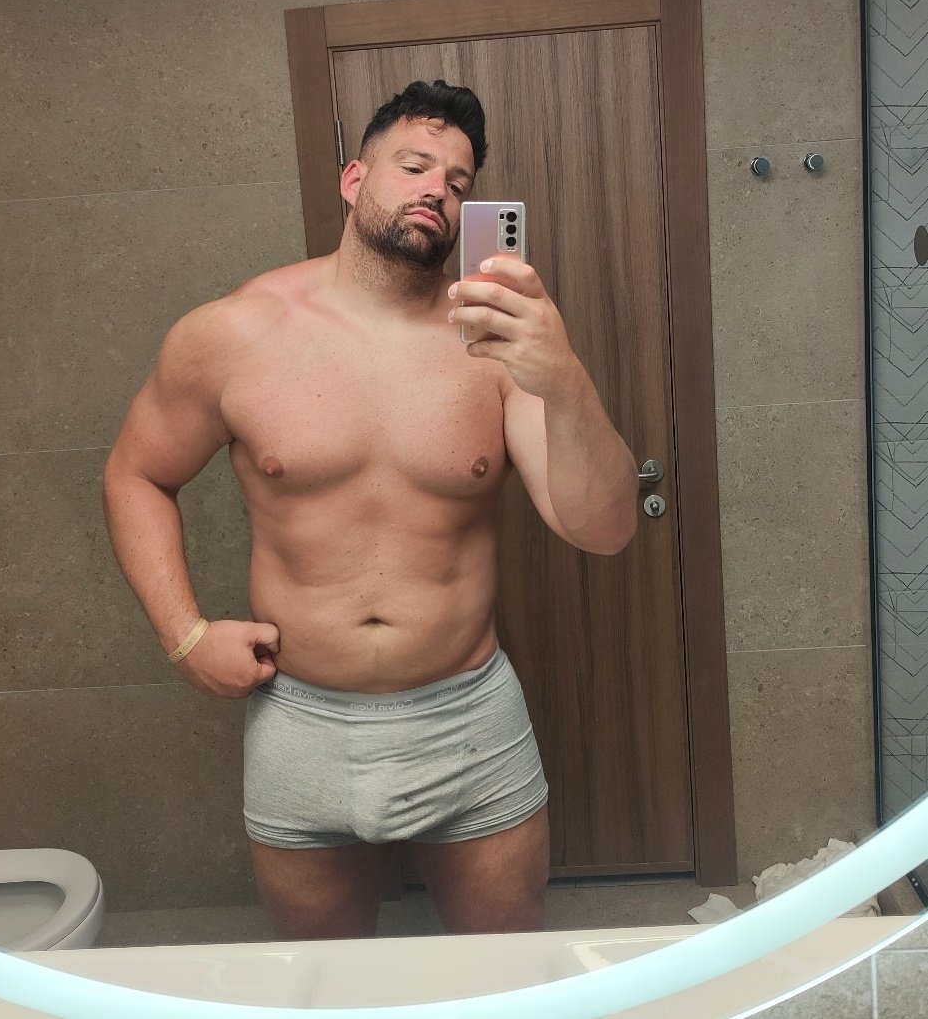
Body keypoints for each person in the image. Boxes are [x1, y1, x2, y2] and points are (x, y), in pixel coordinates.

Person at [102, 79, 638, 941]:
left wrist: (563, 375)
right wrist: (185, 634)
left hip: (467, 717)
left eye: (457, 182)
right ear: (355, 180)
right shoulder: (234, 334)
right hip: (300, 722)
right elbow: (135, 474)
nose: (437, 190)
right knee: (325, 985)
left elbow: (603, 530)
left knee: (502, 977)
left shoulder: (497, 344)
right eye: (414, 166)